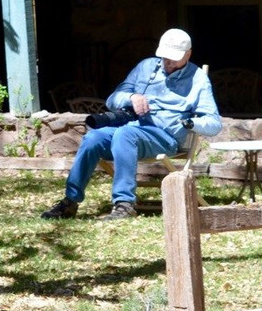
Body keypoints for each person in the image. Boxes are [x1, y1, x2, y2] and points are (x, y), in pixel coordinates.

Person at [41, 28, 222, 220]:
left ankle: (124, 205)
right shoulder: (145, 67)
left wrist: (188, 122)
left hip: (165, 138)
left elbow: (213, 123)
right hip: (131, 130)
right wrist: (131, 97)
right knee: (93, 137)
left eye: (174, 58)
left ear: (188, 54)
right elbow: (112, 100)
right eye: (164, 57)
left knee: (125, 134)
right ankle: (70, 201)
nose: (167, 63)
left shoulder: (198, 79)